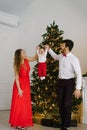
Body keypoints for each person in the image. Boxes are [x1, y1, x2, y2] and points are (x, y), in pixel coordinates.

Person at [46, 39, 82, 130]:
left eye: (62, 44)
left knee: (66, 104)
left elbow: (78, 74)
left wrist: (78, 88)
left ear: (67, 47)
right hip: (60, 82)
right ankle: (63, 125)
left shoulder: (74, 59)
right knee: (60, 104)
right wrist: (49, 49)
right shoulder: (61, 56)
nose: (60, 46)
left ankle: (66, 125)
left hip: (69, 83)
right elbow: (55, 57)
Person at [9, 49, 37, 130]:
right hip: (19, 85)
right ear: (19, 55)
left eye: (25, 52)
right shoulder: (16, 64)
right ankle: (19, 124)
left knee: (25, 104)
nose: (25, 54)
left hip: (26, 84)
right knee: (19, 104)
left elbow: (35, 58)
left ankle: (23, 122)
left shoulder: (26, 59)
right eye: (23, 53)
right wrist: (19, 89)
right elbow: (17, 78)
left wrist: (37, 50)